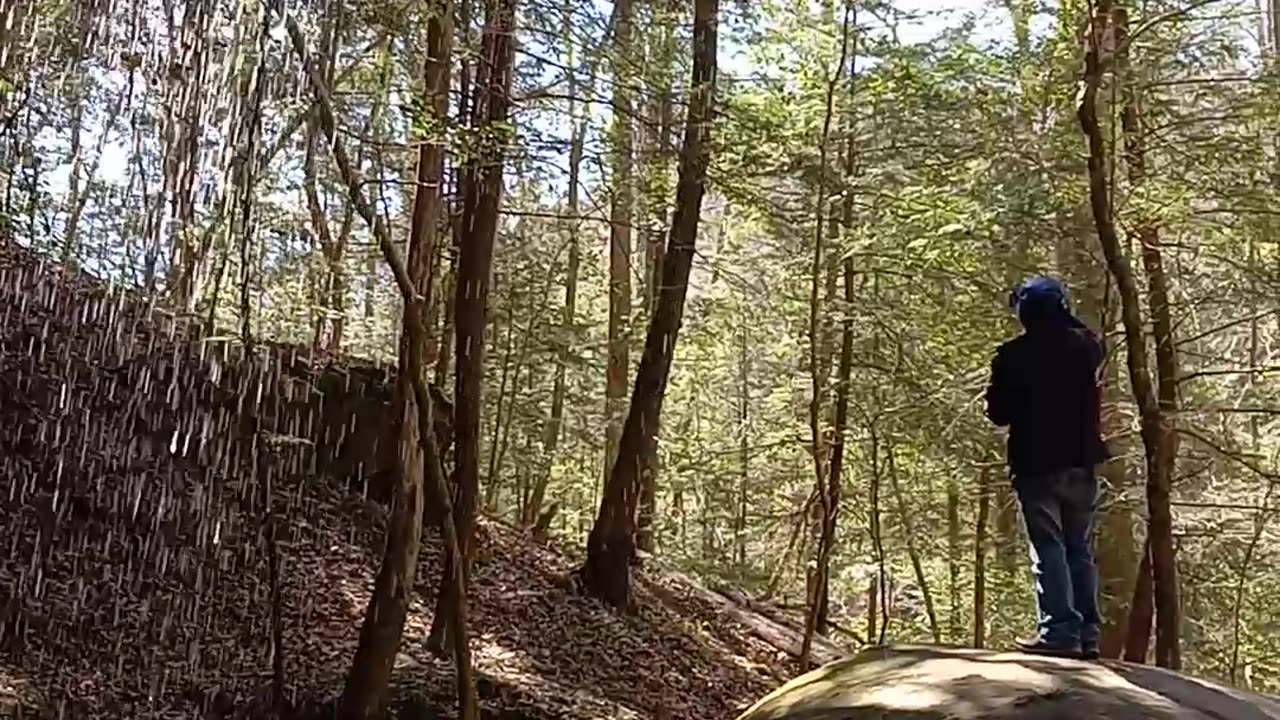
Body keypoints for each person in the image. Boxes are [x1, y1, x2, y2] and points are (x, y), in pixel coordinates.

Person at [985, 275, 1107, 659]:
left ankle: (1059, 632)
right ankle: (1087, 634)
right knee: (1078, 547)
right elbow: (1087, 336)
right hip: (1081, 461)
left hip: (1036, 464)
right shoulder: (1085, 349)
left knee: (1049, 548)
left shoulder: (1012, 356)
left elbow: (998, 414)